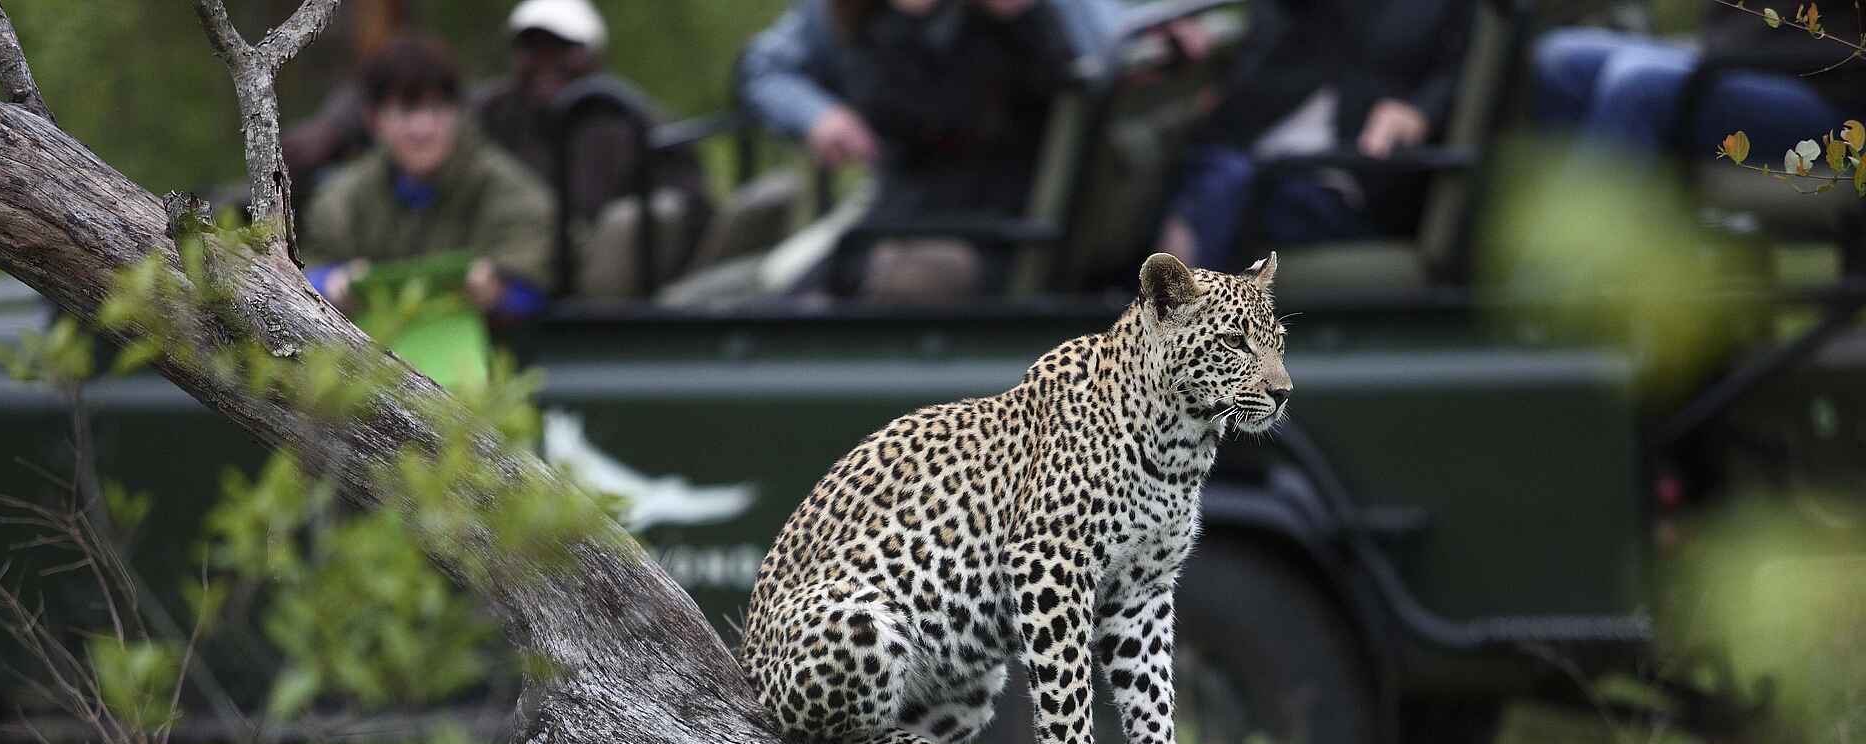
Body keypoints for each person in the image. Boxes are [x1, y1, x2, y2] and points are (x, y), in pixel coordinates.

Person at [737, 0, 1122, 298]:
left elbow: (1106, 61)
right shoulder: (863, 19)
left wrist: (1021, 17)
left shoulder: (1024, 22)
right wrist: (818, 115)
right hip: (903, 213)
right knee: (786, 293)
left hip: (1001, 224)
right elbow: (765, 69)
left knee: (904, 275)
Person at [1157, 0, 1474, 272]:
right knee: (1213, 176)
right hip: (1252, 145)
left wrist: (1421, 112)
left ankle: (1174, 317)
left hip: (1345, 176)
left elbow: (1462, 72)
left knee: (1231, 193)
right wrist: (1187, 24)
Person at [303, 33, 559, 321]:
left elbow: (538, 286)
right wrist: (331, 284)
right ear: (373, 119)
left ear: (459, 113)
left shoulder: (513, 191)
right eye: (406, 110)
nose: (423, 128)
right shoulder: (341, 198)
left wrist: (498, 291)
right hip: (363, 354)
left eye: (437, 109)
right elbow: (303, 273)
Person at [470, 0, 711, 265]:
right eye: (532, 48)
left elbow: (691, 210)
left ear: (594, 54)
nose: (546, 60)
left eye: (563, 48)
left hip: (604, 276)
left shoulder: (632, 120)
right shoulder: (490, 114)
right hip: (515, 263)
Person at [1531, 4, 1865, 160]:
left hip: (1829, 92)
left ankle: (1566, 281)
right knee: (1561, 58)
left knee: (1638, 84)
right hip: (1728, 56)